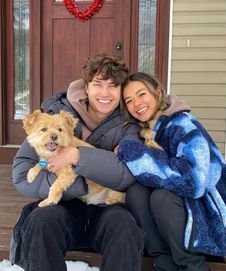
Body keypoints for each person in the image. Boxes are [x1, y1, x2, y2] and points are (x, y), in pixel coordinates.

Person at [10, 54, 144, 271]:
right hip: (64, 204)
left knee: (126, 229)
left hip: (107, 205)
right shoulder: (52, 117)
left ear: (121, 91)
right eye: (97, 84)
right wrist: (76, 185)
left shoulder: (130, 126)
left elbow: (128, 173)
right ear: (86, 87)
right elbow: (22, 173)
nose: (105, 93)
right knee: (40, 221)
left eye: (113, 86)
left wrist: (77, 157)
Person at [117, 72, 226, 271]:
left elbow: (193, 182)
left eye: (141, 94)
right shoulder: (146, 129)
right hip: (172, 212)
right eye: (129, 100)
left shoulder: (183, 124)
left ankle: (192, 265)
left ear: (158, 92)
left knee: (162, 197)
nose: (137, 103)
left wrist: (134, 152)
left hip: (202, 208)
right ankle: (162, 263)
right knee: (136, 193)